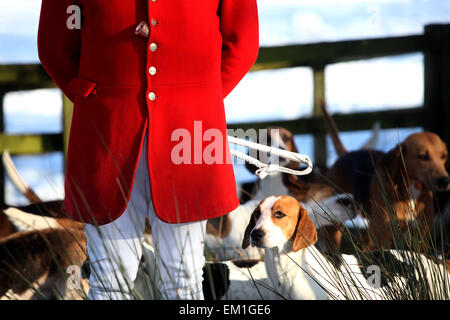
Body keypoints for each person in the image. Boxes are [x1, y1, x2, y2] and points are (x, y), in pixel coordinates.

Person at [37, 0, 259, 299]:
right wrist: (98, 98)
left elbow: (242, 42)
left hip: (189, 133)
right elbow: (56, 45)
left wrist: (198, 98)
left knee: (184, 279)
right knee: (109, 280)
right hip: (107, 133)